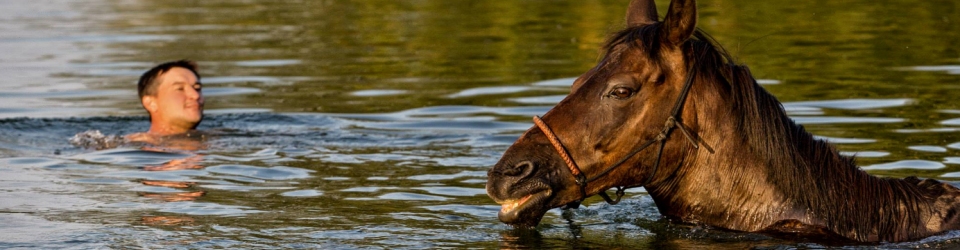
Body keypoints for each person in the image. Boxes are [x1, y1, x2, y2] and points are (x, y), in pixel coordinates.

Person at [125, 60, 205, 146]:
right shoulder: (130, 145)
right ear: (151, 103)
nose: (195, 95)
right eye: (180, 89)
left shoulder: (216, 137)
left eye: (197, 88)